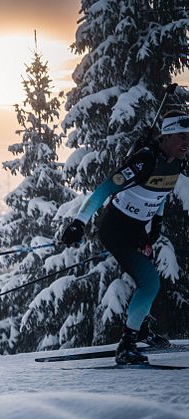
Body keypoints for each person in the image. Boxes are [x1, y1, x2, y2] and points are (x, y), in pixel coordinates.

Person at [61, 110, 189, 365]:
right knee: (150, 282)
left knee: (147, 281)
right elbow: (104, 189)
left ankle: (140, 330)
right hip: (116, 228)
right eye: (181, 137)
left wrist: (157, 224)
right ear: (165, 137)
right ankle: (126, 346)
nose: (187, 143)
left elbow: (160, 192)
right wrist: (78, 223)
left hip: (137, 230)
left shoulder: (176, 162)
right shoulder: (144, 161)